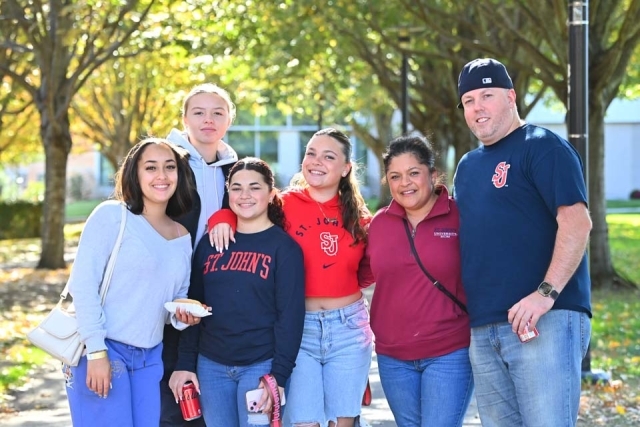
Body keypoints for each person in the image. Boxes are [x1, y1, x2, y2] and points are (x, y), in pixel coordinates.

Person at [453, 58, 592, 426]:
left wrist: (545, 294)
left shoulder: (543, 147)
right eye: (468, 100)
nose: (477, 107)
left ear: (511, 96)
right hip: (485, 327)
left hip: (545, 320)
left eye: (487, 95)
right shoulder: (467, 168)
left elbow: (577, 224)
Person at [209, 128, 373, 427]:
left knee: (343, 421)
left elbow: (364, 272)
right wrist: (221, 218)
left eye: (328, 156)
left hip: (349, 327)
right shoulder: (283, 205)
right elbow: (246, 207)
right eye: (311, 153)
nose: (316, 161)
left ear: (346, 167)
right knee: (303, 421)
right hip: (299, 327)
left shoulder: (359, 215)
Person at [64, 138, 201, 426]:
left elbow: (171, 303)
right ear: (134, 174)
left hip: (150, 357)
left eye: (169, 167)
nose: (162, 176)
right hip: (104, 348)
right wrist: (97, 352)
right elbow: (83, 286)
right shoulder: (112, 216)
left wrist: (183, 315)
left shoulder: (182, 237)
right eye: (151, 167)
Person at [169, 157, 306, 427]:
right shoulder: (210, 244)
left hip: (260, 366)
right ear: (227, 193)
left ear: (270, 194)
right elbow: (195, 304)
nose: (245, 195)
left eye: (254, 187)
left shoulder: (284, 249)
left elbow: (290, 318)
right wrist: (186, 362)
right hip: (211, 367)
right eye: (236, 187)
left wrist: (278, 376)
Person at [359, 135, 473, 427]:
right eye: (395, 176)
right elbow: (357, 275)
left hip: (449, 351)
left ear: (432, 175)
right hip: (393, 356)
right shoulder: (379, 224)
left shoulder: (461, 217)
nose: (404, 183)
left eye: (413, 173)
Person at [161, 83, 239, 426]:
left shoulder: (234, 169)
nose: (208, 120)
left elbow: (257, 207)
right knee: (169, 383)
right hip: (167, 286)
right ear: (184, 119)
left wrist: (226, 215)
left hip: (212, 288)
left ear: (229, 120)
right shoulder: (167, 162)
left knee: (203, 389)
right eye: (199, 112)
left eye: (217, 113)